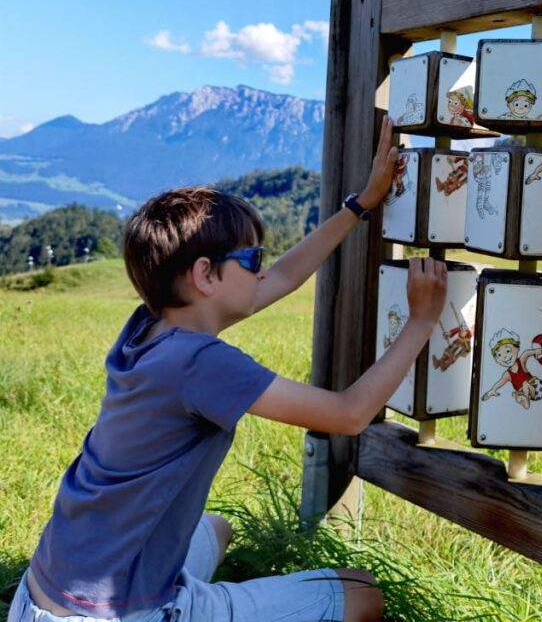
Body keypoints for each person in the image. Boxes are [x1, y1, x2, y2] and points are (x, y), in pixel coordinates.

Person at [8, 116, 449, 622]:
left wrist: (360, 205)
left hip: (43, 593)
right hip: (114, 615)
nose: (263, 268)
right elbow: (349, 414)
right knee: (363, 593)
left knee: (217, 528)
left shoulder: (149, 328)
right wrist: (420, 320)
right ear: (204, 275)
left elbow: (281, 277)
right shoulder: (199, 362)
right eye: (252, 257)